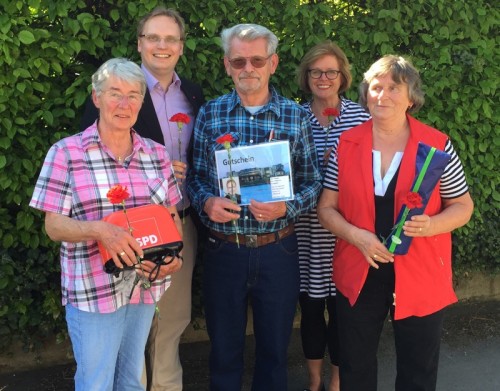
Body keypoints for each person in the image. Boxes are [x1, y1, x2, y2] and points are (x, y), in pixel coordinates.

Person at [317, 55, 474, 391]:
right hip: (359, 268)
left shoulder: (437, 145)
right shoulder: (346, 144)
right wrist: (356, 235)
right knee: (355, 367)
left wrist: (431, 226)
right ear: (365, 93)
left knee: (418, 368)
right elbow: (326, 209)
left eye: (393, 87)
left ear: (411, 96)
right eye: (375, 87)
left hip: (420, 272)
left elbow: (462, 206)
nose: (382, 95)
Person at [30, 58, 184, 391]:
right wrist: (102, 231)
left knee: (130, 381)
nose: (124, 104)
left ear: (142, 103)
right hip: (92, 293)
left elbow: (171, 218)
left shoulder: (156, 155)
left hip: (142, 289)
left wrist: (174, 257)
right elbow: (54, 226)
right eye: (115, 93)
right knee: (96, 383)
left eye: (133, 95)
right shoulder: (66, 153)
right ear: (96, 97)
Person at [186, 23, 322, 391]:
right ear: (226, 65)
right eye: (239, 60)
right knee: (224, 353)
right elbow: (194, 177)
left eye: (257, 60)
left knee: (275, 353)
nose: (248, 68)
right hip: (223, 251)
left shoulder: (295, 116)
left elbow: (314, 182)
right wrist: (206, 202)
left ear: (273, 63)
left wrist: (287, 209)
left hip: (277, 248)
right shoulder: (211, 114)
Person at [80, 7, 204, 391]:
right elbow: (88, 160)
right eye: (153, 37)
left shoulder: (193, 93)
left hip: (178, 219)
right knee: (130, 322)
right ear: (140, 43)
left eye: (170, 39)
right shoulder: (117, 89)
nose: (161, 46)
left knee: (172, 319)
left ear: (181, 46)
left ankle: (166, 387)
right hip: (124, 228)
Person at [295, 41, 370, 391]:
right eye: (316, 72)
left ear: (342, 77)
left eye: (331, 72)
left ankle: (337, 381)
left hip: (347, 233)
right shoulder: (295, 117)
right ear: (306, 76)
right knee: (310, 310)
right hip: (307, 230)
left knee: (342, 313)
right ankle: (313, 381)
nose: (323, 78)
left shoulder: (361, 118)